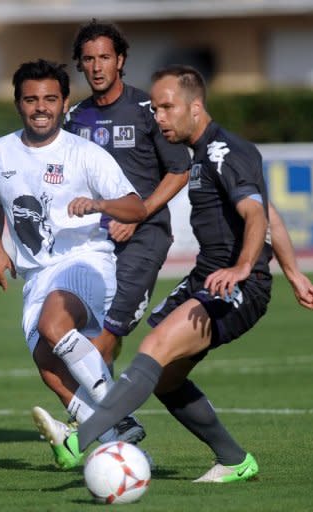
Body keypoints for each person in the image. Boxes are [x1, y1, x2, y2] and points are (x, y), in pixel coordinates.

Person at [71, 64, 313, 483]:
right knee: (166, 378)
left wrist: (244, 267)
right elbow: (273, 213)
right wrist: (294, 274)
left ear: (196, 107)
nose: (159, 117)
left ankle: (77, 442)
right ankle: (234, 460)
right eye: (156, 109)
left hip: (239, 285)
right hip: (208, 278)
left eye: (167, 108)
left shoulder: (226, 151)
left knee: (154, 346)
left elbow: (255, 214)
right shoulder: (204, 155)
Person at [31, 19, 190, 464]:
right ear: (80, 66)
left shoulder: (146, 109)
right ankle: (113, 425)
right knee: (73, 341)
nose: (97, 66)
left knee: (103, 338)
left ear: (120, 60)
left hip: (144, 239)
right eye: (89, 59)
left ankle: (97, 429)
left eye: (105, 57)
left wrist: (138, 217)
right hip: (93, 245)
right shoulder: (76, 118)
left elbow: (178, 169)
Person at [0, 58, 148, 470]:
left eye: (50, 99)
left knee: (54, 327)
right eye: (31, 99)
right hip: (38, 273)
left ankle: (116, 412)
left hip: (85, 261)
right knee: (48, 367)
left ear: (64, 102)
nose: (41, 107)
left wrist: (100, 204)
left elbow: (135, 207)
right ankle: (115, 446)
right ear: (18, 103)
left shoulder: (84, 153)